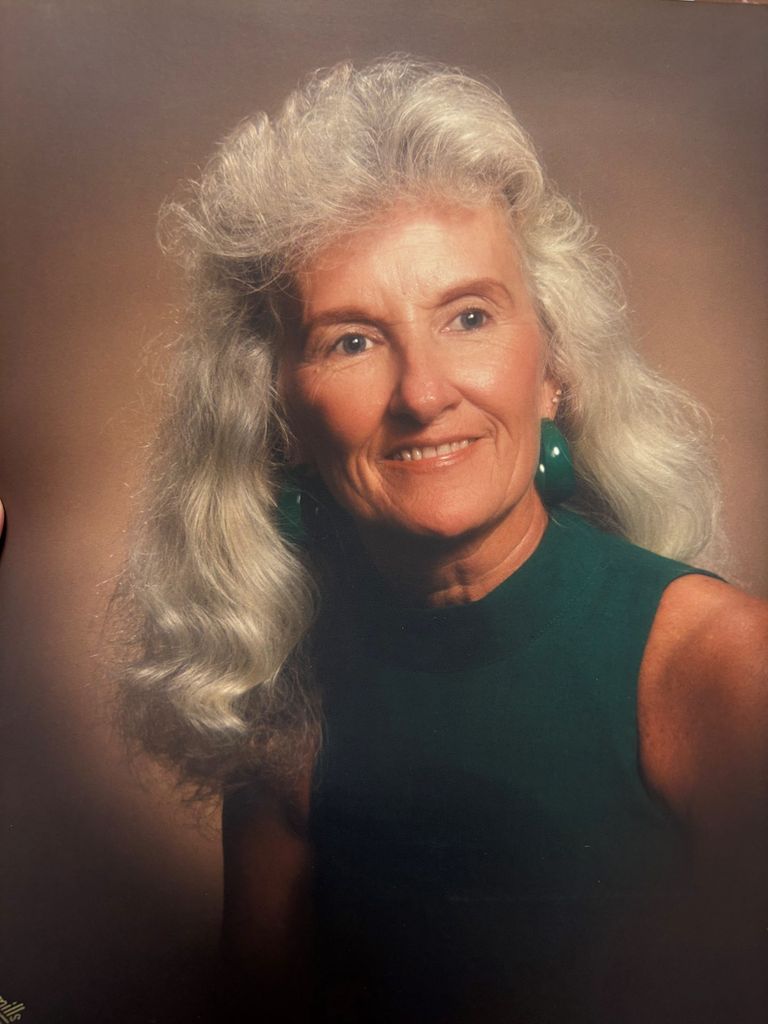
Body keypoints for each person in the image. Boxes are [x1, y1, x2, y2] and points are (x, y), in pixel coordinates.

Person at [117, 58, 768, 1022]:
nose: (423, 394)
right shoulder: (280, 705)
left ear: (553, 370)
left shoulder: (727, 669)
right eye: (351, 339)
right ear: (279, 416)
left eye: (469, 317)